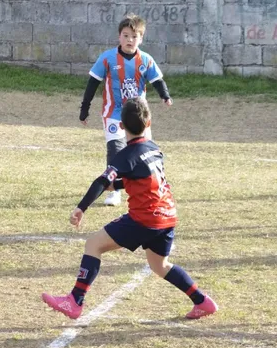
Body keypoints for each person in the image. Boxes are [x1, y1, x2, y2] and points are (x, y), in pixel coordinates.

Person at [42, 97, 217, 320]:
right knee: (159, 265)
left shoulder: (125, 156)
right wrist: (119, 184)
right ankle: (202, 301)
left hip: (145, 219)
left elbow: (100, 181)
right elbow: (145, 179)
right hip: (167, 216)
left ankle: (75, 300)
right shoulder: (154, 148)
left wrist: (81, 207)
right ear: (149, 122)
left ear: (121, 126)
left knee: (93, 244)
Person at [80, 15, 172, 206]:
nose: (130, 40)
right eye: (126, 35)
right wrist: (84, 109)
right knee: (115, 151)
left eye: (135, 36)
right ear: (119, 37)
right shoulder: (107, 59)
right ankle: (113, 190)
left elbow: (157, 80)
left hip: (139, 115)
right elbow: (92, 84)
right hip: (114, 114)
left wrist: (165, 95)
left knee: (145, 151)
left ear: (141, 39)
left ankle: (151, 185)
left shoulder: (145, 60)